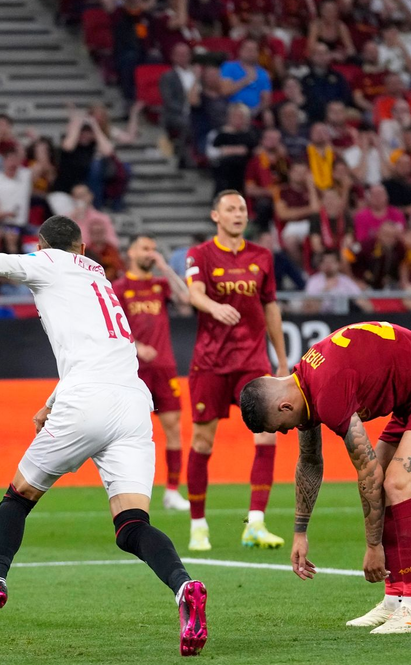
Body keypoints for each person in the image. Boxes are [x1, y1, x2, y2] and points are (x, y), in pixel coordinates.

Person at [0, 216, 208, 655]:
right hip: (134, 404)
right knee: (132, 525)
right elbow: (92, 352)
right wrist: (50, 403)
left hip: (87, 401)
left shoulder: (47, 264)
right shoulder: (97, 277)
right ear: (82, 248)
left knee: (17, 498)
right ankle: (184, 586)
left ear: (43, 247)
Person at [239, 322, 411, 634]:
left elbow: (367, 470)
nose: (285, 431)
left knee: (397, 483)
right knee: (385, 483)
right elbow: (310, 460)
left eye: (280, 426)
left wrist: (373, 546)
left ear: (284, 406)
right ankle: (396, 599)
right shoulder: (303, 384)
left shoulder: (327, 391)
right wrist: (300, 532)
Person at [183, 191, 288, 552]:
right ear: (216, 215)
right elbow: (193, 294)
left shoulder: (262, 256)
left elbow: (271, 307)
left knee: (267, 435)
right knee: (202, 442)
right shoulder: (199, 254)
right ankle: (198, 525)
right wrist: (214, 307)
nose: (238, 214)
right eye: (230, 208)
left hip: (252, 361)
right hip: (210, 362)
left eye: (242, 208)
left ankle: (255, 524)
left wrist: (283, 360)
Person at [113, 234, 192, 511]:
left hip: (164, 367)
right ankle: (126, 489)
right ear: (131, 253)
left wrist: (165, 267)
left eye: (154, 250)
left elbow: (187, 298)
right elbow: (111, 327)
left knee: (173, 429)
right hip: (133, 370)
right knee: (128, 432)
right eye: (145, 249)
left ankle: (172, 491)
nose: (150, 253)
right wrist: (135, 346)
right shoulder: (120, 288)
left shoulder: (160, 285)